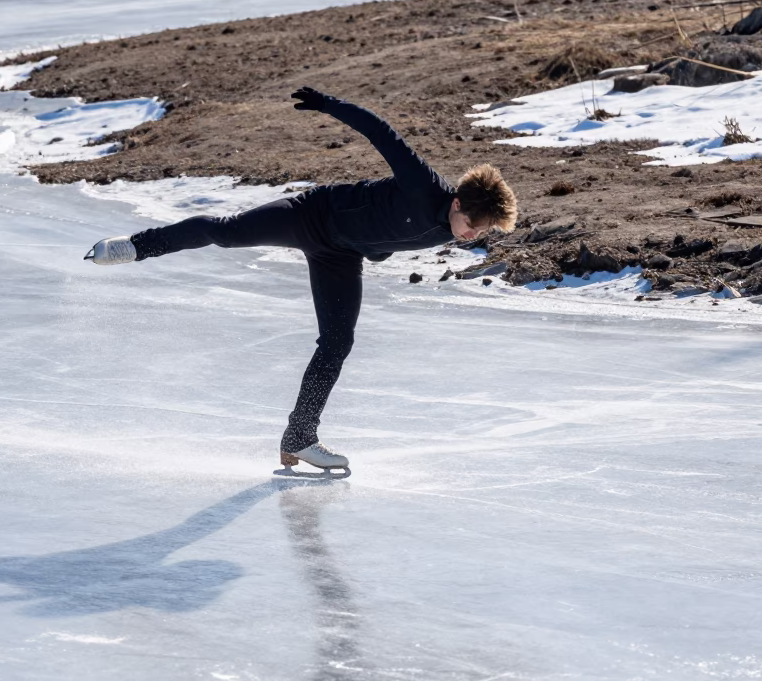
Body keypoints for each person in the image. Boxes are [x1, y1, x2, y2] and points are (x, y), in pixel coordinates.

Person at [85, 87, 517, 471]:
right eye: (473, 225)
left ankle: (299, 437)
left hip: (341, 256)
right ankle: (138, 246)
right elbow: (383, 134)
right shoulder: (424, 185)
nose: (472, 236)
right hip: (308, 217)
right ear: (457, 201)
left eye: (481, 233)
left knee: (337, 343)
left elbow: (388, 232)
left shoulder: (457, 223)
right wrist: (331, 106)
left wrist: (375, 247)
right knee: (228, 232)